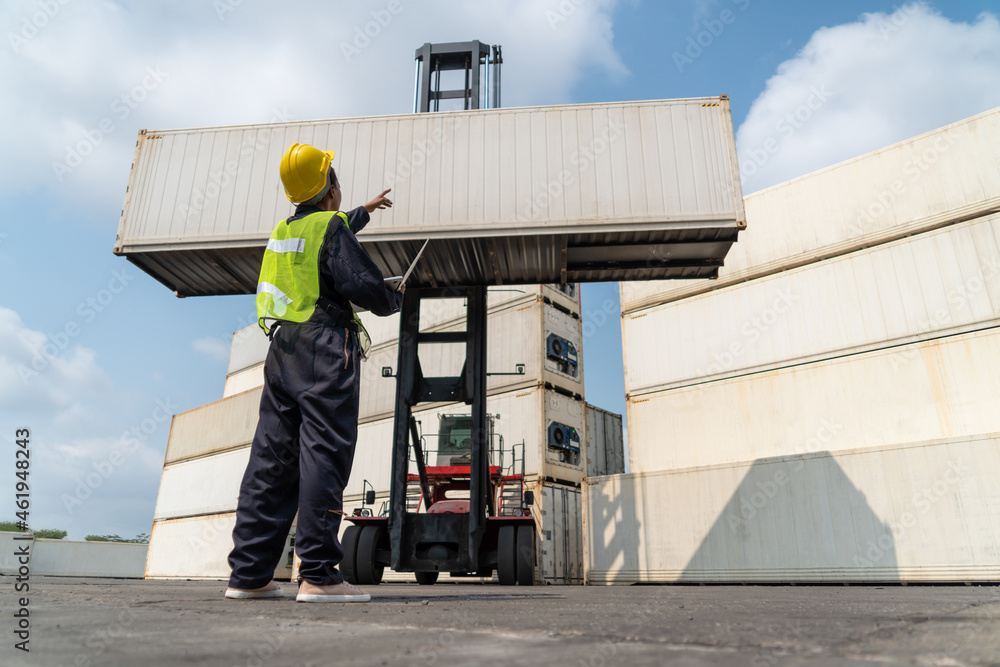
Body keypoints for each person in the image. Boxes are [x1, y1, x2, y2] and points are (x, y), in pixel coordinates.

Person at [225, 143, 402, 603]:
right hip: (325, 347)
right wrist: (393, 297)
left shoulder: (284, 231)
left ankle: (248, 576)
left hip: (283, 350)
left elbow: (327, 236)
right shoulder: (332, 227)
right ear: (330, 189)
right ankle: (319, 576)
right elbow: (360, 281)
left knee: (271, 460)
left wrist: (364, 209)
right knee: (324, 455)